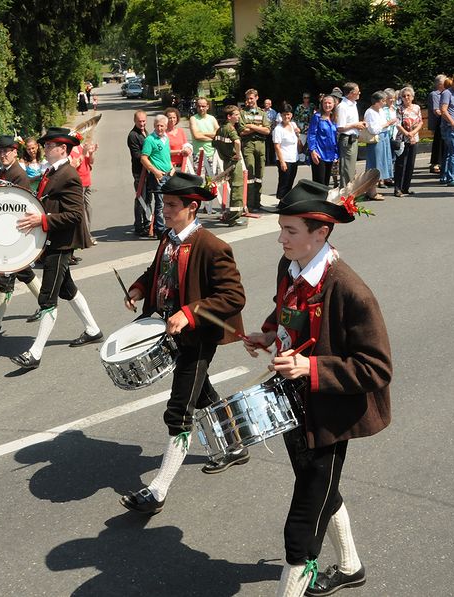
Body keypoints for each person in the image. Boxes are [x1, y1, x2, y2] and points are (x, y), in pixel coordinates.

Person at [242, 179, 392, 597]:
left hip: (329, 417)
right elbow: (286, 309)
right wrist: (270, 333)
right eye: (281, 229)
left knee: (302, 528)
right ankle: (351, 566)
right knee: (322, 490)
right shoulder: (289, 265)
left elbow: (376, 368)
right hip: (292, 403)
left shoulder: (350, 290)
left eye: (290, 231)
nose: (281, 238)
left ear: (320, 232)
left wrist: (310, 367)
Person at [119, 172, 247, 515]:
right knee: (201, 393)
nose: (164, 210)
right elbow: (157, 271)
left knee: (179, 410)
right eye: (164, 204)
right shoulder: (169, 237)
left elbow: (233, 297)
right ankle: (236, 445)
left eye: (172, 205)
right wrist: (139, 288)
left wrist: (190, 313)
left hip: (198, 336)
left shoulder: (213, 246)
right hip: (170, 333)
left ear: (192, 207)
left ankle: (158, 490)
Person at [10, 127, 102, 370]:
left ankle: (35, 353)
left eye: (50, 145)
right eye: (46, 145)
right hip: (53, 239)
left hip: (62, 243)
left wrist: (42, 221)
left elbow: (75, 215)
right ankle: (93, 329)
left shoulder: (68, 175)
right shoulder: (52, 171)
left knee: (47, 297)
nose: (46, 148)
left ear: (63, 148)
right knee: (67, 288)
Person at [0, 136, 44, 336]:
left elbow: (18, 207)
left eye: (6, 151)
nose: (2, 155)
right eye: (0, 152)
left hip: (13, 233)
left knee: (6, 277)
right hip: (6, 232)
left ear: (14, 152)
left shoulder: (18, 175)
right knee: (23, 273)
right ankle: (46, 304)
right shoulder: (3, 172)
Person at [140, 114, 174, 237]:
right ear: (154, 126)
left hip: (168, 174)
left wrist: (171, 167)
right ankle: (159, 229)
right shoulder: (150, 140)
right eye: (157, 126)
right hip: (158, 176)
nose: (159, 128)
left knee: (169, 202)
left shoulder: (166, 138)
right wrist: (155, 172)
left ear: (166, 126)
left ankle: (168, 226)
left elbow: (166, 155)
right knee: (160, 203)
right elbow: (144, 158)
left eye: (162, 126)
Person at [212, 105, 245, 226]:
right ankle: (234, 217)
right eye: (236, 115)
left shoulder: (220, 129)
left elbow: (214, 143)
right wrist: (237, 154)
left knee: (233, 187)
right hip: (233, 161)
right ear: (229, 117)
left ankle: (231, 215)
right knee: (237, 188)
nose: (238, 117)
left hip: (226, 161)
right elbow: (237, 141)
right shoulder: (230, 129)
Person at [240, 89, 272, 212]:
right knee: (250, 174)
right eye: (247, 98)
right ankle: (250, 203)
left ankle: (257, 202)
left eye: (251, 98)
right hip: (248, 145)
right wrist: (259, 127)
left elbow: (267, 130)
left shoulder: (262, 113)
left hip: (261, 145)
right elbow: (242, 131)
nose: (249, 101)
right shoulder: (243, 113)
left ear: (257, 98)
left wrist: (251, 126)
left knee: (259, 175)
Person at [364, 92, 397, 199]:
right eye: (383, 101)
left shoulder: (381, 111)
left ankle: (372, 190)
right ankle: (371, 192)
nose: (384, 103)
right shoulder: (370, 112)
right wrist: (387, 124)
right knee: (375, 164)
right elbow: (373, 129)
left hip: (384, 137)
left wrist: (387, 124)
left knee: (382, 163)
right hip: (376, 139)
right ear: (377, 102)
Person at [335, 83, 367, 188]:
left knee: (351, 168)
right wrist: (355, 125)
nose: (359, 93)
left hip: (353, 138)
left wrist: (359, 124)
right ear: (351, 93)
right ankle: (345, 193)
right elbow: (340, 127)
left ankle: (350, 192)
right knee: (347, 169)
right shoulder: (343, 107)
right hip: (347, 139)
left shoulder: (353, 104)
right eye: (357, 92)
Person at [127, 110, 153, 238]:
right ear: (135, 121)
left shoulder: (145, 132)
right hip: (139, 171)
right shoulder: (133, 135)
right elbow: (136, 155)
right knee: (141, 198)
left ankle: (148, 222)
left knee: (148, 198)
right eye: (139, 121)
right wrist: (149, 158)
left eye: (143, 121)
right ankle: (139, 225)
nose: (142, 124)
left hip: (148, 170)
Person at [393, 87, 423, 196]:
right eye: (404, 96)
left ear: (412, 97)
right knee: (401, 164)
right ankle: (398, 188)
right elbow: (397, 124)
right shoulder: (399, 109)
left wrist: (413, 133)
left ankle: (406, 187)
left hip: (414, 139)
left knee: (410, 164)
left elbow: (420, 122)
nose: (406, 98)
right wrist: (407, 133)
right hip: (403, 139)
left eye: (408, 95)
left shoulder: (417, 108)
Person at [70, 139, 99, 246]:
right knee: (81, 210)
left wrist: (91, 153)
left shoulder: (81, 148)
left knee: (89, 208)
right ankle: (85, 236)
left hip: (87, 182)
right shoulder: (69, 152)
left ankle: (87, 234)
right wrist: (83, 153)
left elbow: (91, 162)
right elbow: (74, 166)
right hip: (78, 184)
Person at [307, 94, 339, 187]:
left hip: (330, 154)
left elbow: (334, 137)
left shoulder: (333, 118)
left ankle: (324, 197)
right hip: (319, 153)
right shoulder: (317, 117)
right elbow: (311, 134)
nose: (327, 105)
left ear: (334, 104)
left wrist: (336, 154)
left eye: (329, 103)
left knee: (326, 182)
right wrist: (312, 151)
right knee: (319, 182)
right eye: (325, 103)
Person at [273, 102, 301, 200]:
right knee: (284, 183)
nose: (286, 117)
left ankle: (286, 202)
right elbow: (277, 146)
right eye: (284, 114)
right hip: (284, 159)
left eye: (288, 114)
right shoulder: (278, 129)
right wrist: (282, 162)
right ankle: (280, 201)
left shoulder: (293, 125)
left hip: (294, 159)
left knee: (290, 182)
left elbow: (297, 141)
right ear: (281, 115)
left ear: (291, 115)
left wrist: (298, 134)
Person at [189, 97, 220, 181]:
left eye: (203, 106)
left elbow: (218, 134)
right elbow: (197, 136)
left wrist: (203, 133)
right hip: (199, 155)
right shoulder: (193, 119)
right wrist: (212, 137)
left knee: (212, 181)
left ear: (207, 107)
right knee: (200, 182)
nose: (201, 108)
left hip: (212, 154)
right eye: (199, 106)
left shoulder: (212, 118)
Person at [428, 75, 446, 174]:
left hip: (444, 122)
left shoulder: (446, 93)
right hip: (438, 123)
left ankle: (441, 162)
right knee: (438, 144)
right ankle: (435, 163)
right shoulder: (434, 94)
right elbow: (436, 111)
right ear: (440, 84)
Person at [165, 107, 192, 172]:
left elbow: (186, 145)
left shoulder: (181, 131)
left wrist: (188, 149)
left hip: (183, 165)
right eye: (170, 118)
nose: (172, 120)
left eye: (174, 117)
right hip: (170, 167)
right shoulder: (164, 134)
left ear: (177, 118)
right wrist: (180, 151)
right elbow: (165, 152)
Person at [264, 98, 279, 166]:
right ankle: (266, 161)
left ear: (270, 104)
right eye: (265, 103)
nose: (266, 104)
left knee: (272, 146)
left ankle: (273, 160)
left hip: (271, 131)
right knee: (265, 147)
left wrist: (272, 129)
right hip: (264, 131)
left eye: (267, 103)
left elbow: (275, 121)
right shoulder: (262, 111)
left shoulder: (273, 112)